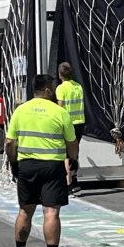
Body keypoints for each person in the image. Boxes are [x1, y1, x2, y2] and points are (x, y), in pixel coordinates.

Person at [5, 74, 79, 247]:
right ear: (47, 90)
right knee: (51, 212)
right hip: (52, 167)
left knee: (25, 210)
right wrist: (73, 162)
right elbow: (72, 143)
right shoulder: (59, 112)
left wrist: (13, 164)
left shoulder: (20, 110)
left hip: (27, 166)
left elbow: (10, 142)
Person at [55, 62, 85, 195]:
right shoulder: (78, 87)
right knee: (74, 153)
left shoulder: (61, 88)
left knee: (65, 155)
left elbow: (60, 107)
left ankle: (67, 184)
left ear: (60, 74)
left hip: (68, 123)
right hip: (80, 122)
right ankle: (75, 181)